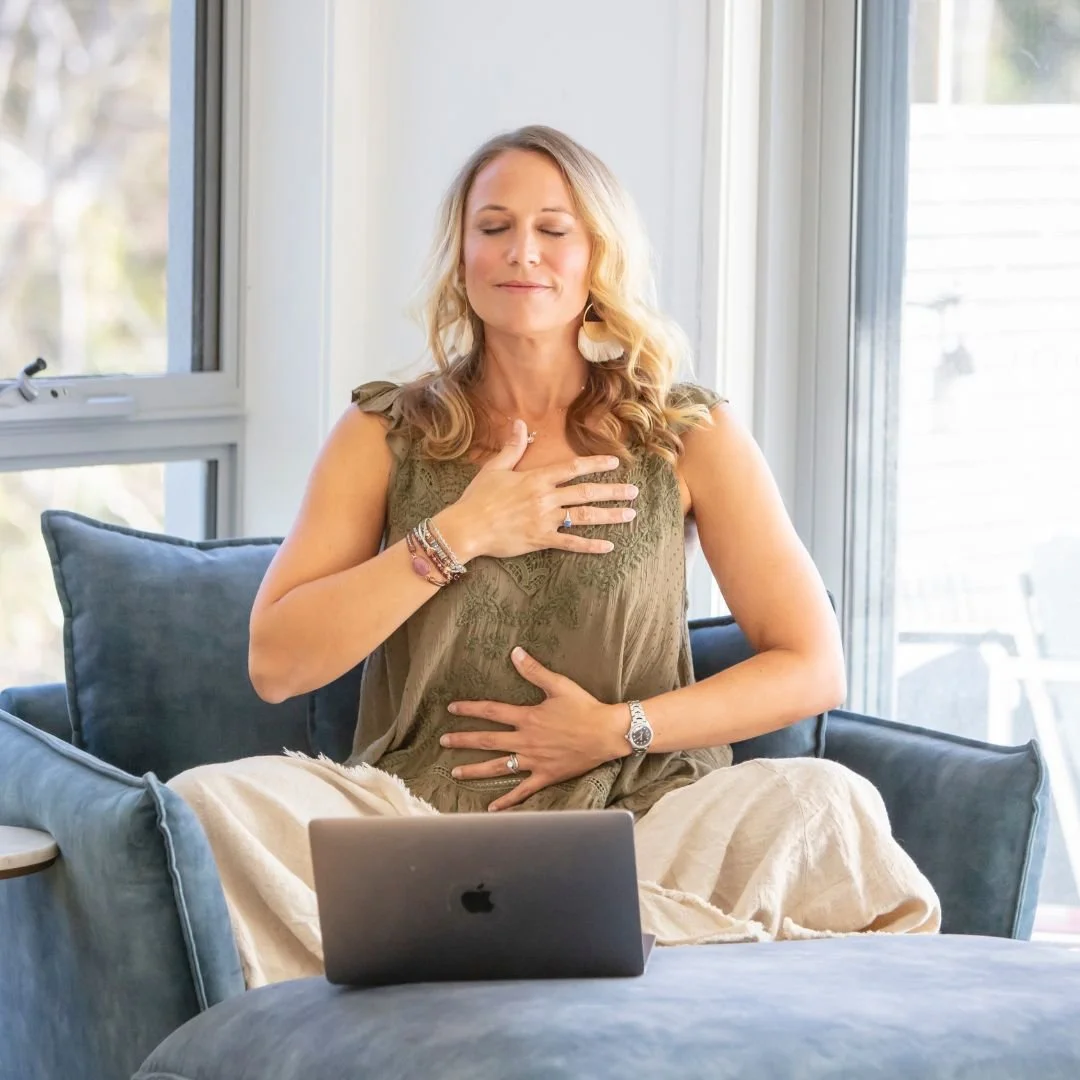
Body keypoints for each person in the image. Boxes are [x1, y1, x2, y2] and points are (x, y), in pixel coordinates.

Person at [169, 124, 940, 987]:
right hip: (415, 824)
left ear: (595, 258)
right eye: (493, 227)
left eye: (553, 228)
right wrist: (456, 534)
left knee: (827, 802)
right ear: (462, 257)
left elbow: (812, 667)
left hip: (644, 824)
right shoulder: (383, 432)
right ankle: (583, 946)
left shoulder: (689, 434)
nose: (520, 252)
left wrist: (617, 729)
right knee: (203, 808)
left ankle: (482, 946)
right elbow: (276, 662)